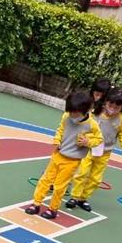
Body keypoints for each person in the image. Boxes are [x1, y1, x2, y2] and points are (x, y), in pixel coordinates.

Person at [24, 90, 102, 219]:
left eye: (75, 112)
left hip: (72, 161)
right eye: (70, 111)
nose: (72, 114)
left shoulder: (91, 125)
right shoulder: (66, 116)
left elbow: (99, 140)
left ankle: (52, 209)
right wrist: (57, 140)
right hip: (58, 154)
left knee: (60, 186)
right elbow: (61, 129)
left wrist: (88, 142)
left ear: (85, 110)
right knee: (45, 180)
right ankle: (36, 203)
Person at [68, 86, 122, 212]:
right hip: (89, 147)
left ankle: (83, 198)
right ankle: (74, 197)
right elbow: (84, 125)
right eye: (111, 104)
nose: (113, 108)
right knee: (81, 173)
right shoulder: (96, 112)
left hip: (104, 152)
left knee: (95, 179)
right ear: (105, 101)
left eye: (117, 107)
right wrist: (81, 138)